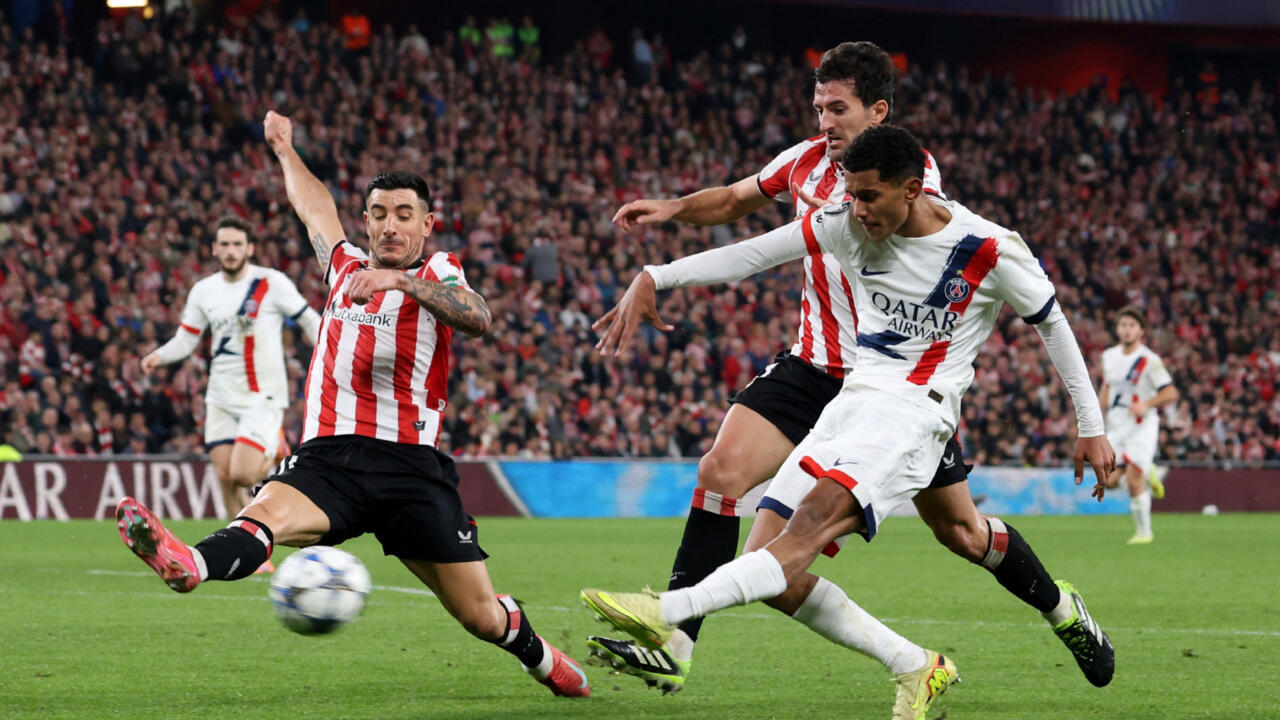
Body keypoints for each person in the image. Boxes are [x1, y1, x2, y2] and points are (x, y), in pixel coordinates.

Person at [592, 41, 1096, 698]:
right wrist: (672, 215)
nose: (824, 122)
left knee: (962, 533)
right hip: (813, 367)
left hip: (896, 386)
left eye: (837, 108)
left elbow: (939, 247)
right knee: (722, 476)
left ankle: (1058, 606)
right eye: (818, 108)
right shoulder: (805, 163)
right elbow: (738, 205)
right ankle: (675, 643)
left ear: (877, 111)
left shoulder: (908, 181)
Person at [115, 110, 589, 699]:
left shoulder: (437, 270)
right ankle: (189, 563)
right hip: (330, 459)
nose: (390, 226)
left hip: (409, 468)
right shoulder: (343, 267)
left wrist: (401, 282)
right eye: (379, 214)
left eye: (404, 215)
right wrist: (284, 150)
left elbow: (478, 317)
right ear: (365, 221)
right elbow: (313, 207)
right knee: (261, 518)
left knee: (480, 617)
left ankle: (542, 660)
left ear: (427, 224)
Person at [142, 215, 321, 535]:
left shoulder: (271, 283)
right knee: (225, 477)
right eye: (224, 244)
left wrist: (331, 348)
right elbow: (187, 338)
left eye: (237, 244)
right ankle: (246, 548)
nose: (230, 250)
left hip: (261, 395)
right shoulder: (204, 290)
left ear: (249, 248)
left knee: (242, 474)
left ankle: (276, 447)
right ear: (214, 249)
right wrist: (160, 356)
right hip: (221, 396)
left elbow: (308, 318)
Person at [1099, 305, 1178, 544]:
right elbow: (1107, 386)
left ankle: (1145, 533)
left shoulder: (1149, 360)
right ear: (1117, 329)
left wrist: (1146, 404)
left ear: (1141, 331)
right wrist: (1096, 413)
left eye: (1132, 326)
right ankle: (1149, 471)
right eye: (1123, 325)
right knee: (1108, 481)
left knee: (1134, 482)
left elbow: (1171, 393)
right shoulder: (1108, 356)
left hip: (1141, 426)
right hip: (1116, 425)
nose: (1127, 330)